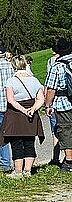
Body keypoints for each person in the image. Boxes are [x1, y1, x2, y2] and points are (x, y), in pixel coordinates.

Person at [0, 55, 45, 178]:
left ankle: (18, 171)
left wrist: (23, 110)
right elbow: (41, 99)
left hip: (16, 114)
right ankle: (28, 170)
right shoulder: (34, 80)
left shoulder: (11, 81)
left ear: (13, 66)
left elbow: (11, 100)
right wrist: (33, 109)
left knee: (17, 143)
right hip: (31, 113)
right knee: (30, 142)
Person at [45, 38, 72, 173]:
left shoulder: (57, 66)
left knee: (66, 131)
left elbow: (51, 89)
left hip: (64, 104)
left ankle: (69, 161)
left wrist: (48, 105)